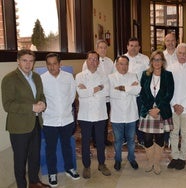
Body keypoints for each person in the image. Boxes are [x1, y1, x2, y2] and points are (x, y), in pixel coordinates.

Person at [1, 49, 50, 188]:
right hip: (19, 127)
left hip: (35, 123)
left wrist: (43, 103)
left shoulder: (36, 77)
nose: (28, 64)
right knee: (20, 161)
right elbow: (8, 105)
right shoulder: (9, 78)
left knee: (34, 157)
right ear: (18, 61)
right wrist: (31, 107)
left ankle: (34, 183)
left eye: (31, 61)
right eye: (24, 60)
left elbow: (41, 95)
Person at [41, 53, 80, 187]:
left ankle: (69, 168)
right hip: (49, 120)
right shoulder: (42, 79)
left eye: (55, 63)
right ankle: (52, 173)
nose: (52, 67)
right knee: (50, 148)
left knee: (67, 145)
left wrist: (64, 108)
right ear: (46, 65)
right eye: (49, 64)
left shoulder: (68, 77)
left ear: (60, 64)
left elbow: (71, 94)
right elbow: (41, 97)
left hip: (66, 119)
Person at [76, 51, 111, 179]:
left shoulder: (104, 76)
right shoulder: (79, 76)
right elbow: (81, 94)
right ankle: (86, 166)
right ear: (86, 61)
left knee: (100, 141)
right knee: (85, 141)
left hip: (100, 114)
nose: (93, 61)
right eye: (90, 59)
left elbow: (106, 92)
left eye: (95, 59)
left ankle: (102, 164)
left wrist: (89, 90)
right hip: (85, 115)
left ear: (98, 62)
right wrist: (97, 88)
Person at [139, 50, 174, 175]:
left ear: (163, 61)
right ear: (151, 61)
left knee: (160, 137)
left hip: (162, 110)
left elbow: (169, 94)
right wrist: (150, 109)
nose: (157, 62)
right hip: (148, 110)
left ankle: (157, 162)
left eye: (159, 59)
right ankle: (150, 161)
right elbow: (142, 93)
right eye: (154, 59)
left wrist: (158, 108)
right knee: (147, 138)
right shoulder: (145, 74)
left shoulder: (168, 75)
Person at [166, 43, 186, 170]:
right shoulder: (170, 68)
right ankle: (175, 157)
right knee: (174, 132)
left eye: (185, 53)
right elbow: (168, 89)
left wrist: (183, 105)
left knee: (185, 133)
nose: (182, 55)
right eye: (180, 53)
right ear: (176, 54)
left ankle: (183, 158)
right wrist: (174, 104)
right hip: (173, 107)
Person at [109, 55, 141, 171]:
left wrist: (122, 88)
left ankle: (131, 158)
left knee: (131, 140)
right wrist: (129, 89)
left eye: (126, 64)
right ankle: (117, 160)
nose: (124, 66)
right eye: (121, 64)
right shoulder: (110, 78)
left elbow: (138, 90)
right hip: (117, 116)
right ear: (116, 65)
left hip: (131, 114)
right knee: (118, 141)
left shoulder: (133, 76)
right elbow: (112, 94)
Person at [82, 39, 114, 146]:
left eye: (105, 47)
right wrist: (96, 89)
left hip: (107, 96)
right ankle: (95, 140)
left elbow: (112, 78)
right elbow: (85, 79)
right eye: (101, 47)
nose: (103, 49)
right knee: (94, 119)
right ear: (97, 48)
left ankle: (103, 139)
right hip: (94, 96)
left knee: (104, 119)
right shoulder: (88, 62)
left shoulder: (110, 62)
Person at [124, 37, 150, 147]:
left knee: (141, 116)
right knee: (126, 116)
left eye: (136, 46)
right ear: (127, 46)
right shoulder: (122, 59)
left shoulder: (145, 59)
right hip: (126, 95)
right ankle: (126, 138)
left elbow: (149, 75)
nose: (133, 48)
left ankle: (141, 138)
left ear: (139, 47)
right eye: (131, 45)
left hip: (140, 94)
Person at [163, 33, 178, 148]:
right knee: (166, 114)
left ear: (176, 41)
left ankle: (176, 138)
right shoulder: (162, 56)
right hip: (165, 89)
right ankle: (166, 139)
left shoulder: (180, 54)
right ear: (165, 42)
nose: (170, 43)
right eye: (168, 40)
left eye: (172, 40)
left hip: (179, 88)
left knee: (177, 114)